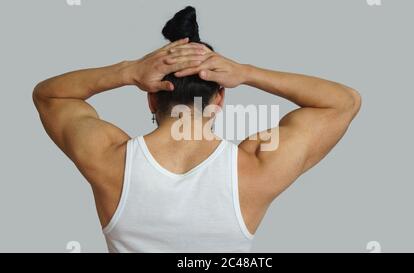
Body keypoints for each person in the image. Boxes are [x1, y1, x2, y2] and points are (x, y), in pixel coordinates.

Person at [32, 6, 361, 252]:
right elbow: (343, 101)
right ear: (220, 98)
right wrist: (246, 72)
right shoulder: (256, 167)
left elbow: (50, 95)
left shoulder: (109, 158)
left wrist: (128, 71)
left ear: (151, 97)